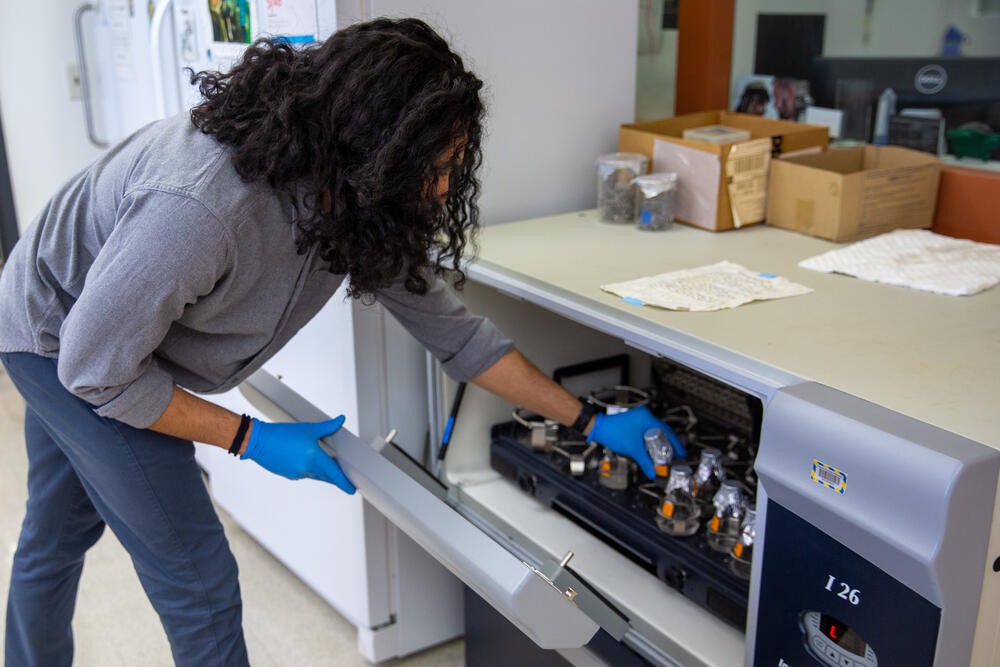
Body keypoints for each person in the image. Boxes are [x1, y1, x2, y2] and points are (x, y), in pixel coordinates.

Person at [0, 17, 683, 666]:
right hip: (58, 334)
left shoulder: (354, 199)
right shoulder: (205, 206)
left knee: (56, 534)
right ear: (376, 146)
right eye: (433, 167)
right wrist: (250, 438)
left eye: (452, 166)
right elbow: (96, 371)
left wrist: (592, 420)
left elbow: (459, 338)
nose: (444, 188)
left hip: (107, 332)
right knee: (200, 581)